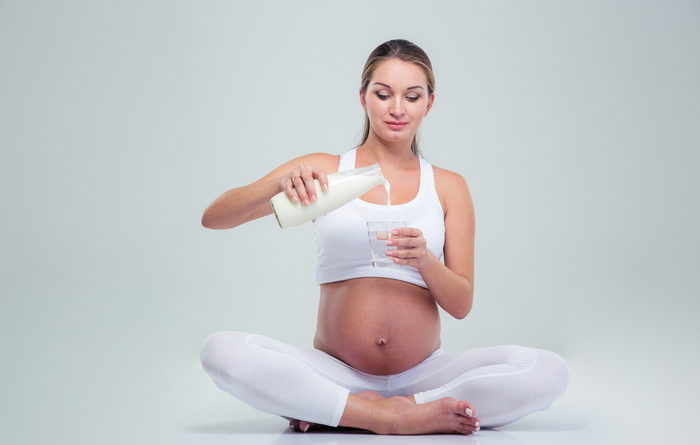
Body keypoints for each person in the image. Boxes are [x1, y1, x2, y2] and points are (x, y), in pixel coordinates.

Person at [199, 39, 569, 436]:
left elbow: (461, 304)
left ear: (429, 103)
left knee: (548, 371)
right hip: (335, 371)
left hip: (424, 373)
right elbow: (215, 218)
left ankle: (352, 409)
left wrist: (425, 260)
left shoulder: (448, 186)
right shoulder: (325, 173)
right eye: (383, 94)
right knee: (221, 352)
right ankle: (388, 417)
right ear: (363, 98)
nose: (397, 109)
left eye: (412, 96)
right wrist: (279, 183)